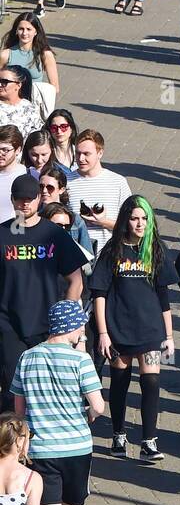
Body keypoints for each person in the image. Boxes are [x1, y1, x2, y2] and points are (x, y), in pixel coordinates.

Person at [11, 298, 104, 505]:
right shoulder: (81, 361)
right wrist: (87, 415)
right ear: (75, 327)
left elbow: (19, 411)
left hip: (42, 450)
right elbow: (99, 407)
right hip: (77, 449)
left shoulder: (27, 358)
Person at [91, 195, 173, 464]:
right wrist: (103, 332)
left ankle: (149, 441)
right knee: (119, 383)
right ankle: (118, 435)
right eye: (135, 218)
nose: (140, 223)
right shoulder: (113, 250)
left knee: (151, 383)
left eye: (144, 218)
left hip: (150, 329)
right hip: (118, 328)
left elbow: (163, 297)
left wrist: (170, 336)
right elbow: (99, 293)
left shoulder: (155, 249)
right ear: (125, 220)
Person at [0, 175, 84, 413]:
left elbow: (75, 279)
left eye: (30, 199)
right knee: (11, 391)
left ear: (39, 199)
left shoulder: (53, 235)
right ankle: (12, 447)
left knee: (47, 389)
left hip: (48, 327)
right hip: (9, 326)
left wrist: (65, 319)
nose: (25, 204)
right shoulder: (2, 234)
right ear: (12, 200)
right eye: (19, 199)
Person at [66, 129, 132, 256]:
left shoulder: (118, 182)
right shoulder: (67, 182)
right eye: (78, 153)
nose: (81, 158)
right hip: (76, 256)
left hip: (109, 255)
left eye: (86, 154)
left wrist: (103, 222)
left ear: (100, 153)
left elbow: (130, 224)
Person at [1, 12, 59, 118]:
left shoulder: (45, 54)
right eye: (21, 29)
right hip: (10, 108)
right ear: (16, 31)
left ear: (36, 31)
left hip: (35, 108)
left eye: (29, 29)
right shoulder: (6, 54)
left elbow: (54, 87)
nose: (24, 33)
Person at [0, 65, 42, 140]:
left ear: (18, 85)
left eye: (4, 82)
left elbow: (37, 136)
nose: (0, 85)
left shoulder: (30, 108)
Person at [0, 126, 26, 228]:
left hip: (14, 235)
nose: (0, 153)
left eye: (5, 150)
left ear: (18, 150)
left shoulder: (26, 175)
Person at [47, 108, 79, 178]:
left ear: (71, 129)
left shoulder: (80, 151)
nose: (59, 131)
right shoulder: (47, 154)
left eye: (63, 127)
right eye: (54, 128)